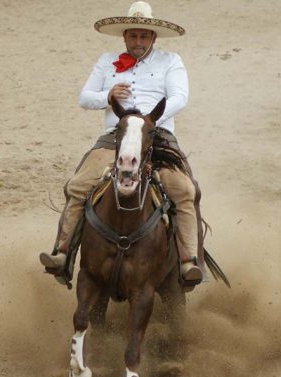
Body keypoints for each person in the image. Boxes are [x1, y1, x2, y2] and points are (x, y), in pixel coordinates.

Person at [40, 1, 203, 286]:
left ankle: (189, 261)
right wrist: (107, 95)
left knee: (184, 189)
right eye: (133, 35)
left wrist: (149, 119)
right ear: (125, 36)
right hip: (115, 136)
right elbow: (84, 97)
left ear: (153, 37)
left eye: (144, 36)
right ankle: (63, 253)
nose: (138, 41)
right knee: (78, 185)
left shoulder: (171, 61)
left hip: (157, 134)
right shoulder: (106, 62)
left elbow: (180, 97)